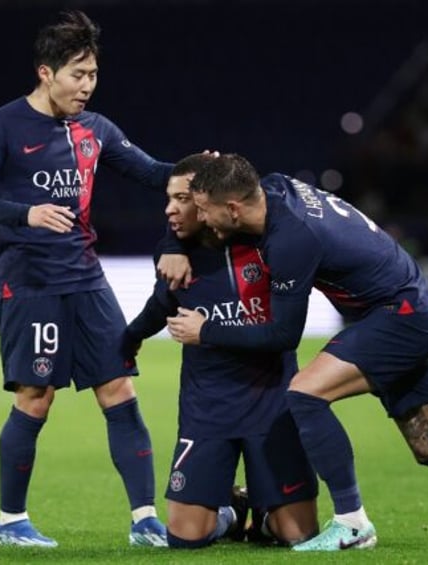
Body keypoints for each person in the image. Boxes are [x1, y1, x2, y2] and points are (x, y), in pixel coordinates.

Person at [167, 153, 428, 551]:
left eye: (204, 209)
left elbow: (282, 336)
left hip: (396, 319)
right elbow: (229, 182)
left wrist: (209, 331)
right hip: (410, 309)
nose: (199, 218)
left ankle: (352, 523)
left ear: (235, 209)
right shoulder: (275, 186)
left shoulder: (292, 241)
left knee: (304, 394)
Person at [0, 11, 187, 548]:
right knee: (36, 397)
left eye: (93, 75)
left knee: (119, 388)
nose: (86, 86)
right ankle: (11, 523)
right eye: (76, 74)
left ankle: (144, 520)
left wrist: (199, 168)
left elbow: (154, 172)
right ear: (46, 73)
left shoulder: (96, 129)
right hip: (30, 282)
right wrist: (26, 213)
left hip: (86, 278)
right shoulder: (2, 125)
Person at [125, 154, 319, 548]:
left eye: (182, 199)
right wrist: (126, 341)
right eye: (171, 198)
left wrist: (207, 331)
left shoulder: (271, 241)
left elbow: (283, 334)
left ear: (208, 202)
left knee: (298, 535)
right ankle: (231, 514)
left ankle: (267, 514)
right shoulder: (176, 257)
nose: (171, 209)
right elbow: (160, 305)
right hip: (207, 407)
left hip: (271, 403)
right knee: (185, 539)